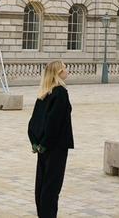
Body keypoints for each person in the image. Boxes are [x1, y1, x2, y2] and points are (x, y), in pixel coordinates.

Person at [28, 61, 73, 218]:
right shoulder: (60, 92)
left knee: (41, 183)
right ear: (58, 72)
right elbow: (54, 123)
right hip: (55, 146)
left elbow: (33, 122)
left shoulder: (45, 92)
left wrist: (35, 143)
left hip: (42, 146)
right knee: (52, 187)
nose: (67, 70)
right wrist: (46, 143)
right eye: (65, 67)